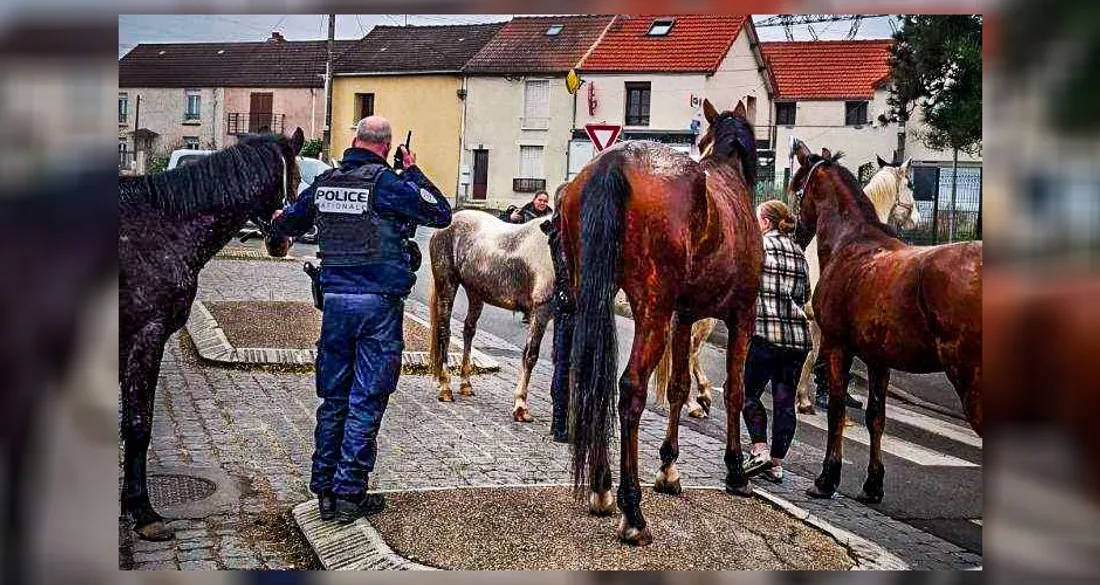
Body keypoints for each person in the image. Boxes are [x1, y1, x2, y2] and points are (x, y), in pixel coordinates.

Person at [271, 116, 452, 523]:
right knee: (365, 399)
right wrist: (414, 170)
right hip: (378, 309)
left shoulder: (327, 183)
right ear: (387, 148)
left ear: (355, 141)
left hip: (334, 306)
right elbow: (440, 212)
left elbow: (286, 223)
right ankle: (350, 493)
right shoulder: (388, 185)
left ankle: (325, 493)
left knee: (333, 399)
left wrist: (284, 216)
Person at [742, 200, 812, 483]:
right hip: (796, 341)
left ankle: (759, 448)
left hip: (764, 337)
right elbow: (805, 295)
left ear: (767, 223)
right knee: (785, 401)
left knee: (747, 394)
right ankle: (776, 463)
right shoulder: (799, 253)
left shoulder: (759, 248)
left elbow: (746, 286)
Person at [541, 182, 573, 442]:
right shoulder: (562, 235)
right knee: (564, 365)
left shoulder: (556, 231)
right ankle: (561, 424)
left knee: (561, 363)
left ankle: (559, 422)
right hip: (569, 305)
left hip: (563, 304)